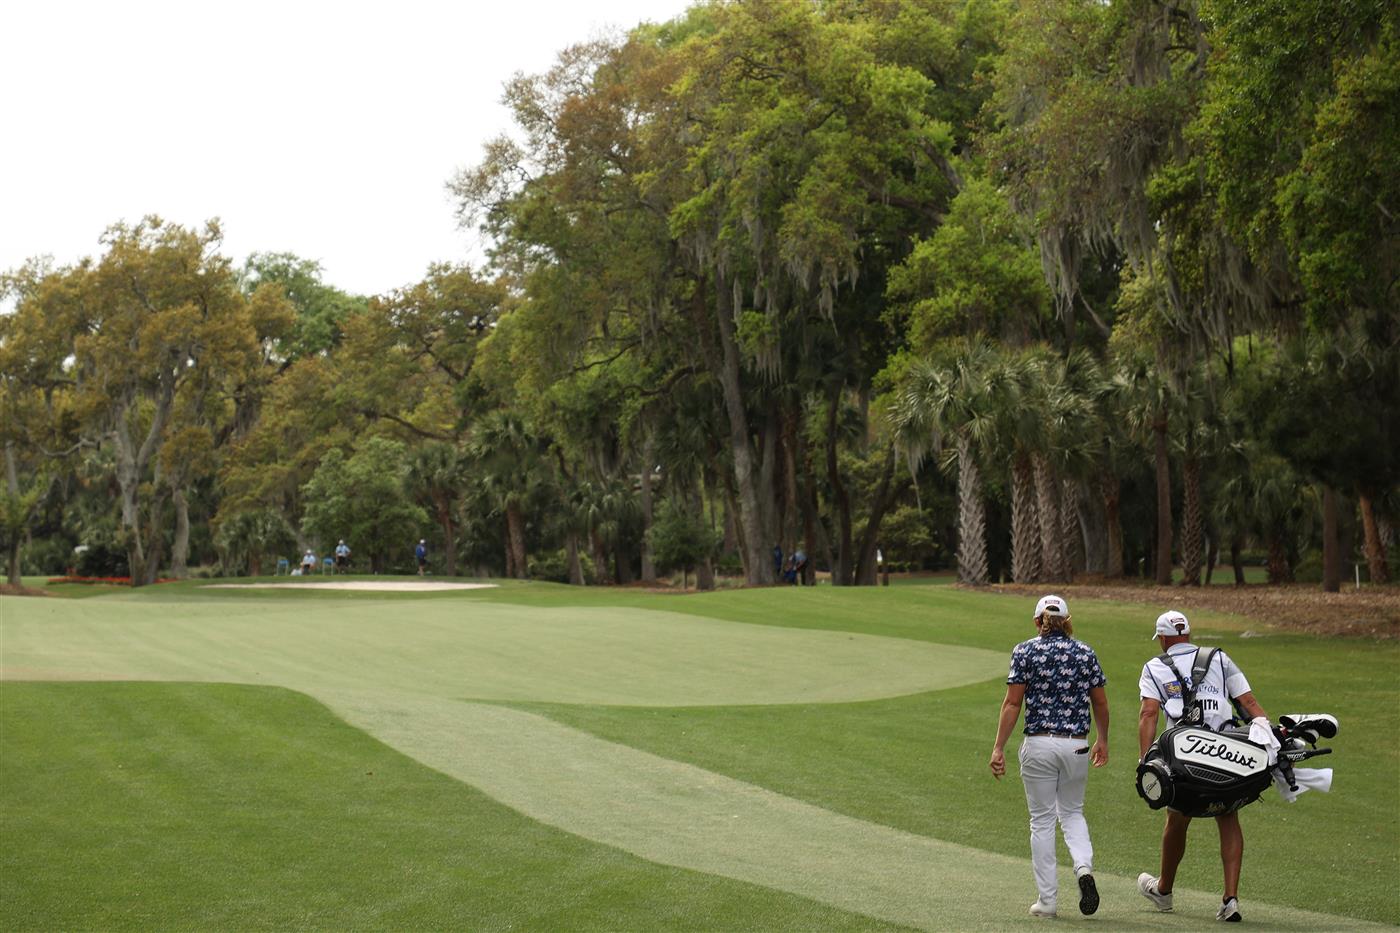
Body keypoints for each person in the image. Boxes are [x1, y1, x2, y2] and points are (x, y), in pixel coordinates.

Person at [1137, 610, 1268, 923]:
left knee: (1177, 820)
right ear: (1188, 634)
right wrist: (1270, 741)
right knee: (1227, 813)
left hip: (1183, 758)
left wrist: (1146, 762)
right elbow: (1249, 704)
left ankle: (1164, 890)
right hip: (1226, 753)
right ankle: (1230, 899)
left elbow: (1149, 714)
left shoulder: (1155, 667)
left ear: (1165, 639)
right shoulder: (1219, 659)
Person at [990, 595, 1108, 919]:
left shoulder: (1024, 650)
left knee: (1041, 822)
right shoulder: (1085, 652)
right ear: (1068, 621)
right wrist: (1103, 740)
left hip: (1039, 744)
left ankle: (1048, 901)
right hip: (1077, 745)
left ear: (1037, 621)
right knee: (1072, 813)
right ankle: (1083, 868)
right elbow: (1100, 702)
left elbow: (1013, 703)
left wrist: (999, 746)